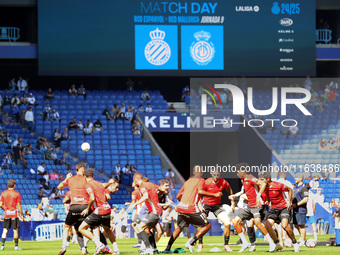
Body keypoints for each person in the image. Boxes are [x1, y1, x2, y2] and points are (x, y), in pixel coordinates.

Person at [162, 166, 211, 254]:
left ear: (193, 172)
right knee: (207, 226)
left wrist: (183, 204)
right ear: (200, 173)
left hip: (181, 208)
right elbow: (200, 192)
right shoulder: (201, 180)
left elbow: (177, 196)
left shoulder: (188, 181)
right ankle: (191, 243)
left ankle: (167, 249)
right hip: (191, 209)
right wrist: (214, 194)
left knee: (178, 229)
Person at [231, 163, 276, 252]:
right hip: (249, 206)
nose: (237, 174)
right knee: (235, 222)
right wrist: (234, 196)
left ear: (243, 171)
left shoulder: (250, 178)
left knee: (258, 223)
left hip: (256, 206)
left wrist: (258, 196)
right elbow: (244, 191)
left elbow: (263, 184)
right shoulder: (243, 180)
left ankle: (272, 243)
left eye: (238, 172)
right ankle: (244, 243)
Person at [78, 168, 118, 255]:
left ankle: (99, 245)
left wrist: (87, 209)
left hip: (99, 210)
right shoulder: (98, 184)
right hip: (107, 209)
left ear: (84, 176)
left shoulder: (88, 184)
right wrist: (109, 183)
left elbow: (92, 197)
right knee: (106, 229)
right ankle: (116, 250)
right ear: (93, 176)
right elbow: (104, 186)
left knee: (81, 228)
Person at [258, 171, 300, 252]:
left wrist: (289, 201)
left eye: (262, 179)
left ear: (268, 179)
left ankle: (295, 243)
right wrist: (267, 200)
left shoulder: (278, 185)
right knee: (267, 224)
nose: (260, 181)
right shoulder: (262, 187)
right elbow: (267, 195)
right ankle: (277, 244)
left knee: (285, 226)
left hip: (283, 207)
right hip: (273, 208)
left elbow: (289, 189)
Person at [198, 168, 235, 252]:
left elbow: (229, 189)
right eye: (214, 174)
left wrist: (232, 202)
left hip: (217, 206)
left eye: (217, 174)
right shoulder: (206, 182)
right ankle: (200, 244)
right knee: (200, 222)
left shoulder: (223, 182)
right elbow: (200, 193)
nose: (216, 176)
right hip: (206, 204)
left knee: (227, 223)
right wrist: (199, 204)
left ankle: (226, 245)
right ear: (211, 174)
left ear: (219, 174)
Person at [127, 172, 164, 254]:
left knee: (139, 227)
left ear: (136, 180)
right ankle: (154, 249)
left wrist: (134, 204)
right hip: (156, 210)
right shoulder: (150, 184)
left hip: (154, 212)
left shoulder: (142, 186)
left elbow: (145, 196)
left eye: (134, 181)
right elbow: (162, 189)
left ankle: (148, 248)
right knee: (147, 229)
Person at [57, 163, 88, 255]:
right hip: (85, 207)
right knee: (82, 228)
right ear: (82, 170)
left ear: (76, 170)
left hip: (74, 207)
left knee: (67, 227)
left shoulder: (71, 179)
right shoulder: (86, 179)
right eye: (84, 170)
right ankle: (84, 249)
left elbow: (59, 187)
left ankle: (63, 247)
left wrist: (66, 179)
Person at [0, 179, 23, 251]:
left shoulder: (3, 193)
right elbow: (19, 205)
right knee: (15, 230)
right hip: (14, 214)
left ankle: (2, 246)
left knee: (5, 230)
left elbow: (0, 205)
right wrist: (21, 214)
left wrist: (6, 210)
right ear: (14, 185)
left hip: (7, 214)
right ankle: (16, 246)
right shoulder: (17, 194)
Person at [292, 173, 309, 246]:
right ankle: (303, 238)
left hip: (301, 210)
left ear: (301, 178)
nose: (295, 178)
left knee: (301, 225)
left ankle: (302, 241)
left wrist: (297, 204)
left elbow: (306, 199)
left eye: (296, 177)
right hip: (295, 210)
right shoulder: (295, 188)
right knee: (296, 225)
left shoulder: (303, 188)